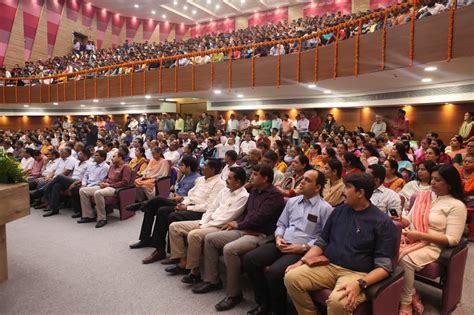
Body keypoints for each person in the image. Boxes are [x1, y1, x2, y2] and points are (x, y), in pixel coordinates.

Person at [284, 173, 398, 315]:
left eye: (347, 187)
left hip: (357, 273)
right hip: (329, 265)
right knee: (291, 277)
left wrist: (360, 284)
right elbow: (322, 242)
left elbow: (385, 267)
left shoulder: (382, 222)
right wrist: (301, 261)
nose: (342, 191)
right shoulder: (339, 211)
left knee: (338, 302)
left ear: (360, 193)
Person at [192, 165, 285, 312]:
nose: (251, 177)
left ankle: (234, 294)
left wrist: (239, 224)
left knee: (230, 249)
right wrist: (237, 223)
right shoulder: (254, 191)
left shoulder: (274, 196)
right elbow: (247, 213)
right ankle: (212, 280)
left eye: (255, 174)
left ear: (265, 178)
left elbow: (260, 218)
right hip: (244, 229)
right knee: (210, 238)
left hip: (260, 235)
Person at [243, 170, 333, 315]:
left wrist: (304, 247)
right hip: (283, 242)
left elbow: (325, 237)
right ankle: (264, 303)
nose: (302, 182)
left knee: (274, 272)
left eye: (308, 180)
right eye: (302, 178)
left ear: (318, 187)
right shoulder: (293, 201)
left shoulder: (325, 208)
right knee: (249, 259)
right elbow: (282, 224)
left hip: (301, 249)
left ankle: (278, 310)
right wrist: (279, 237)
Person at [397, 165, 467, 315]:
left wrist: (421, 236)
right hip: (412, 237)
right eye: (432, 179)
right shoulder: (424, 196)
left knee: (405, 259)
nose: (433, 182)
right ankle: (413, 292)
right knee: (386, 249)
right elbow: (409, 221)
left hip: (434, 245)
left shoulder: (456, 206)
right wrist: (400, 220)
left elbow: (453, 239)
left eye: (438, 180)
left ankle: (406, 300)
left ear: (449, 183)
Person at [128, 159, 225, 264]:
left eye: (205, 165)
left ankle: (162, 250)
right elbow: (190, 195)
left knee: (162, 210)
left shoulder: (219, 184)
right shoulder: (201, 180)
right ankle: (146, 239)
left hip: (199, 211)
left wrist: (187, 208)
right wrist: (184, 203)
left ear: (212, 169)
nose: (202, 167)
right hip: (187, 204)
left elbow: (209, 206)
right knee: (155, 204)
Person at [166, 167, 249, 283]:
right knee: (174, 226)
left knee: (194, 235)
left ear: (238, 182)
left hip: (220, 227)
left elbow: (228, 217)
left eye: (229, 178)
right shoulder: (225, 190)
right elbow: (211, 208)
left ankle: (194, 272)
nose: (226, 180)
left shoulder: (243, 197)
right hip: (207, 221)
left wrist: (205, 225)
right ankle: (183, 263)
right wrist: (203, 222)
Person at [78, 151, 132, 228]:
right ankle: (89, 216)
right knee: (83, 191)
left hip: (115, 188)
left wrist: (110, 185)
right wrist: (103, 182)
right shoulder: (112, 166)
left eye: (114, 156)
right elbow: (107, 178)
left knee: (98, 193)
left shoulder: (126, 167)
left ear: (120, 158)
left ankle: (102, 218)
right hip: (106, 186)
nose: (112, 158)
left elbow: (125, 182)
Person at [42, 149, 92, 217]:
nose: (78, 155)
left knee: (59, 176)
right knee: (56, 185)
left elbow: (86, 177)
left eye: (80, 154)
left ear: (85, 156)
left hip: (78, 181)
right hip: (71, 179)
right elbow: (71, 173)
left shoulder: (89, 164)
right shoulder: (77, 162)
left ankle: (44, 190)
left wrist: (76, 183)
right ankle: (54, 209)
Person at [70, 150, 110, 218]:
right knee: (74, 189)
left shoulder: (105, 167)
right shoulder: (91, 164)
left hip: (96, 185)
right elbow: (85, 175)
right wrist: (84, 184)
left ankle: (88, 213)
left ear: (103, 158)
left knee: (81, 190)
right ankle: (80, 211)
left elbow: (101, 180)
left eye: (97, 155)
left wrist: (87, 186)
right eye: (94, 155)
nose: (94, 156)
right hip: (87, 184)